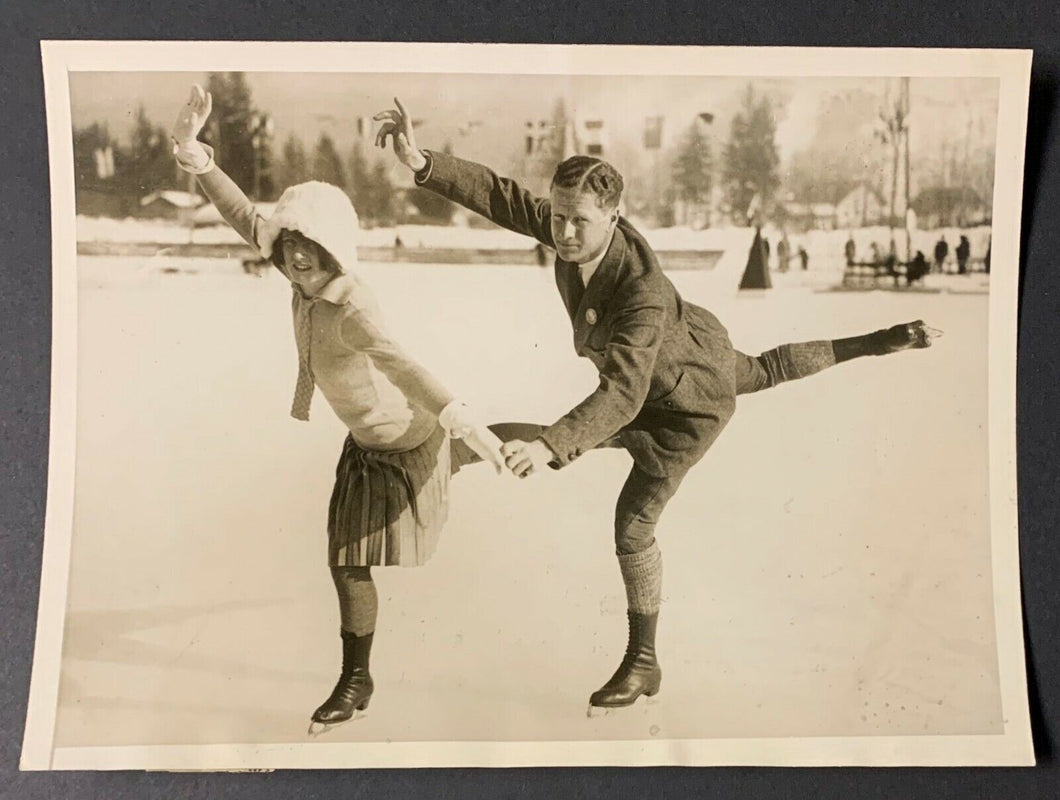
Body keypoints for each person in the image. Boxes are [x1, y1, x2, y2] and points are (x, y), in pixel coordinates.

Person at [375, 98, 941, 714]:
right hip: (661, 364)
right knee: (558, 433)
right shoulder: (576, 228)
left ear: (614, 217)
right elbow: (505, 197)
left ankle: (644, 662)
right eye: (558, 217)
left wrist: (551, 445)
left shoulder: (640, 293)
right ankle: (441, 462)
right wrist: (423, 162)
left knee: (633, 520)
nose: (562, 233)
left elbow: (620, 394)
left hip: (687, 405)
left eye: (578, 223)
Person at [170, 86, 515, 734]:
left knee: (447, 462)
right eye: (290, 241)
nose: (297, 254)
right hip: (367, 440)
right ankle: (361, 679)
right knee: (348, 556)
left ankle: (356, 678)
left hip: (405, 432)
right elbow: (246, 215)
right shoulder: (297, 273)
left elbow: (402, 363)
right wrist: (195, 155)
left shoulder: (351, 305)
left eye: (312, 245)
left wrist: (459, 413)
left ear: (336, 250)